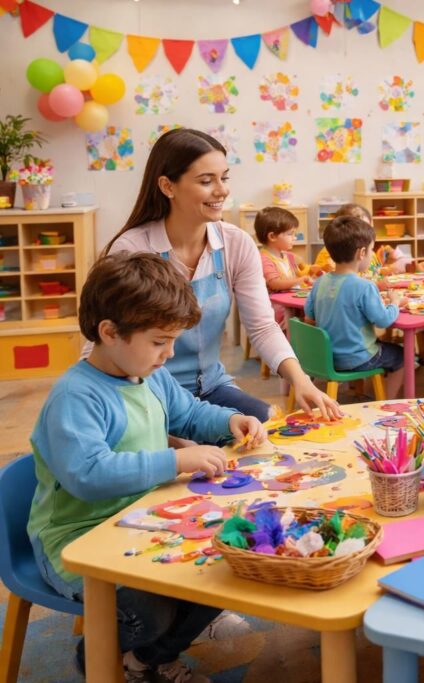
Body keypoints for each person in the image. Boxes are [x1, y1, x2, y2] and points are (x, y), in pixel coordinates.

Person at [29, 252, 267, 682]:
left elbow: (189, 413)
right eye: (159, 342)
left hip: (140, 522)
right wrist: (174, 459)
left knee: (229, 568)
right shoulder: (76, 396)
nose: (169, 353)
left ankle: (143, 661)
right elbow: (88, 474)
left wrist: (229, 421)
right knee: (150, 612)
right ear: (109, 332)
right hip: (75, 543)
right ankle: (98, 653)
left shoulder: (148, 375)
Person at [100, 128, 339, 421]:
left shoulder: (235, 243)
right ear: (167, 186)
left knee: (268, 425)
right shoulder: (132, 248)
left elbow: (263, 327)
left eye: (223, 178)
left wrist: (300, 380)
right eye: (206, 181)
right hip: (144, 393)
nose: (222, 190)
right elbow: (102, 345)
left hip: (209, 387)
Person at [305, 216, 407, 399]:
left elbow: (309, 316)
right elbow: (383, 320)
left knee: (384, 347)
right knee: (403, 356)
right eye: (371, 251)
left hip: (326, 357)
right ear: (361, 253)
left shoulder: (319, 282)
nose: (371, 255)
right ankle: (387, 403)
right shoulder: (364, 286)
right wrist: (394, 302)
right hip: (358, 358)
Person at [254, 206, 314, 329]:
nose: (294, 237)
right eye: (290, 234)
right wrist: (299, 281)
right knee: (300, 316)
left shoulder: (288, 256)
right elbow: (274, 283)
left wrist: (309, 276)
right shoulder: (264, 258)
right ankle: (293, 342)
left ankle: (303, 340)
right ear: (272, 237)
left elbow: (299, 274)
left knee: (311, 311)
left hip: (291, 301)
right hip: (276, 306)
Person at [313, 202, 411, 275]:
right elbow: (341, 281)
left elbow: (373, 273)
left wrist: (387, 268)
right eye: (363, 229)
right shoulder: (331, 253)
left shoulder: (370, 253)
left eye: (370, 228)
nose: (370, 234)